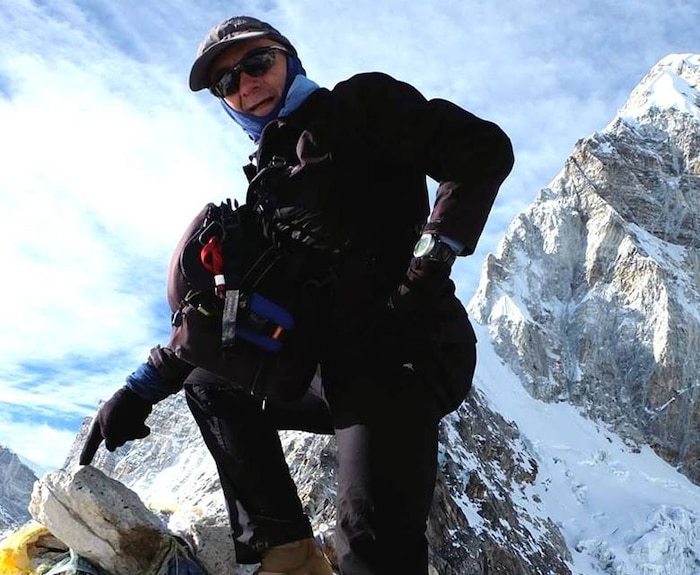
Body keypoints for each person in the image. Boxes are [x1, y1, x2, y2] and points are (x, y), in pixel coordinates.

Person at [80, 15, 513, 575]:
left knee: (369, 545)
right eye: (227, 83)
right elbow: (232, 309)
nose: (245, 84)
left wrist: (426, 268)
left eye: (257, 63)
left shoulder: (361, 106)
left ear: (290, 60)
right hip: (328, 369)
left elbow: (481, 149)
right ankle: (290, 555)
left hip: (401, 355)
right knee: (210, 386)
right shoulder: (267, 179)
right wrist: (142, 386)